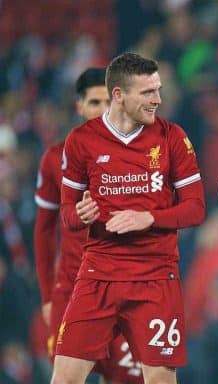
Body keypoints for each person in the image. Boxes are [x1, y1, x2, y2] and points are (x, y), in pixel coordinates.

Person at [51, 53, 206, 384]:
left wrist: (149, 218)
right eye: (148, 93)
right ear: (119, 95)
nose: (158, 100)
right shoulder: (81, 141)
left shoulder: (172, 137)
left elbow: (195, 209)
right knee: (63, 379)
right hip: (98, 276)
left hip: (155, 278)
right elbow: (66, 215)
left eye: (158, 90)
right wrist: (79, 215)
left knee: (161, 381)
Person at [34, 67, 144, 384]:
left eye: (108, 102)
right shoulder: (55, 160)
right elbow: (43, 233)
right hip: (70, 294)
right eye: (94, 102)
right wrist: (47, 296)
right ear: (79, 106)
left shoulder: (138, 158)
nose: (101, 110)